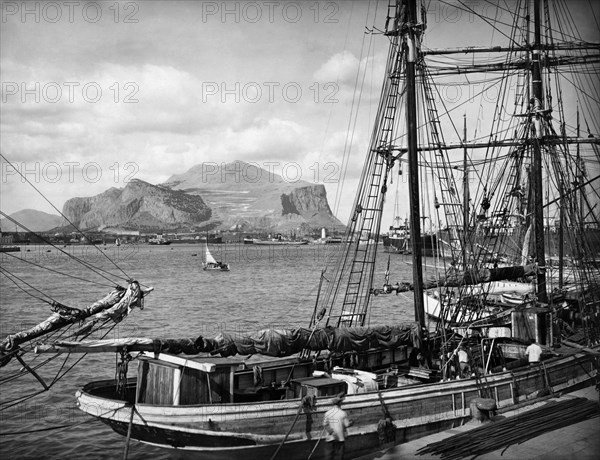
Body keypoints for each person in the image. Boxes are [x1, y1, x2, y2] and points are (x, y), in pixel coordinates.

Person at [323, 395, 352, 460]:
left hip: (330, 438)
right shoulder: (343, 413)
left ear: (333, 404)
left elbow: (325, 424)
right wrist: (351, 423)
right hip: (340, 438)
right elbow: (347, 424)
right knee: (339, 456)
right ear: (340, 403)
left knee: (328, 456)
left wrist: (331, 432)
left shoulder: (327, 413)